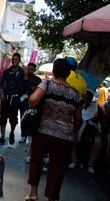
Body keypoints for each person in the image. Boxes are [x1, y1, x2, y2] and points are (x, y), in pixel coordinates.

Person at [25, 58, 81, 201]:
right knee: (58, 168)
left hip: (43, 131)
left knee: (36, 161)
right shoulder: (75, 93)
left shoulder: (47, 84)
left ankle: (33, 193)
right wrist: (74, 131)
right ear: (68, 74)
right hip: (64, 136)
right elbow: (78, 118)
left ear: (54, 71)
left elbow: (33, 100)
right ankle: (51, 198)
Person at [69, 90, 102, 173]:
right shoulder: (79, 105)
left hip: (91, 129)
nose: (87, 97)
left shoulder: (96, 107)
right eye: (85, 95)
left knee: (98, 142)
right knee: (72, 136)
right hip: (79, 127)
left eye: (89, 95)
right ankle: (74, 160)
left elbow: (101, 119)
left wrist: (97, 118)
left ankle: (91, 164)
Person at [0, 52, 24, 145]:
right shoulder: (6, 71)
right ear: (11, 60)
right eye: (13, 59)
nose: (15, 61)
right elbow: (1, 83)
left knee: (13, 118)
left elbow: (24, 85)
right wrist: (1, 93)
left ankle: (12, 132)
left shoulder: (22, 72)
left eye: (17, 59)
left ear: (19, 61)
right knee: (3, 117)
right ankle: (2, 136)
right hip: (6, 97)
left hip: (15, 98)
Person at [19, 63, 42, 143]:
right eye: (29, 69)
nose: (30, 71)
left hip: (32, 103)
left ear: (34, 70)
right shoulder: (22, 77)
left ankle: (29, 135)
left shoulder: (37, 79)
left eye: (32, 69)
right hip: (23, 102)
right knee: (23, 118)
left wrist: (35, 89)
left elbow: (40, 91)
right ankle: (23, 135)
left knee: (31, 119)